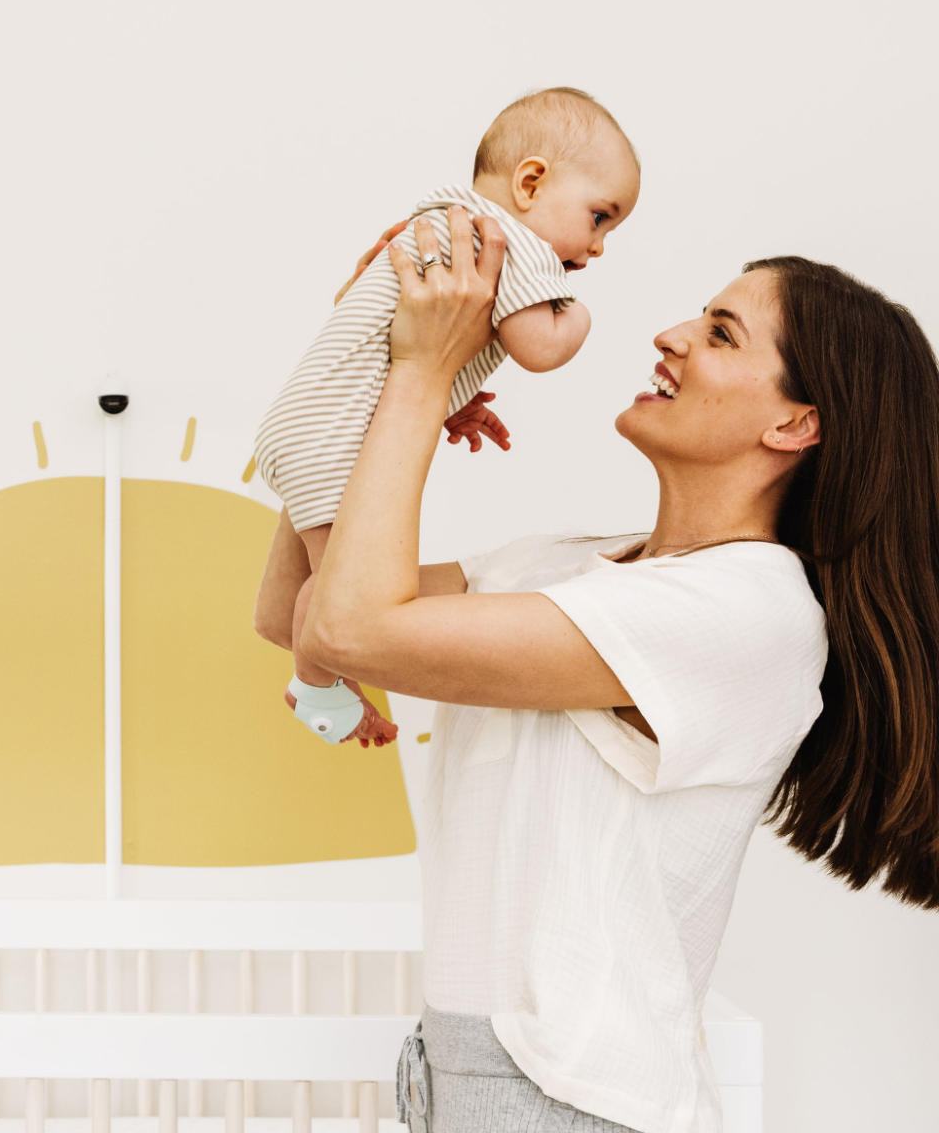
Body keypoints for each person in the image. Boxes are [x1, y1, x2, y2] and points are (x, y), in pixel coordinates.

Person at [268, 207, 939, 1132]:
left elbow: (349, 629)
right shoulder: (560, 565)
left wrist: (422, 378)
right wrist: (371, 371)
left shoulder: (749, 610)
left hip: (565, 1100)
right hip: (468, 1082)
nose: (671, 336)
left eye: (720, 333)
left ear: (796, 423)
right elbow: (300, 610)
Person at [252, 88, 641, 748]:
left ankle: (323, 678)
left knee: (332, 587)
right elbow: (541, 349)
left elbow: (384, 348)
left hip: (309, 421)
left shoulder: (440, 220)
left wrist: (452, 398)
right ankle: (317, 692)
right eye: (599, 217)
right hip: (333, 437)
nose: (599, 246)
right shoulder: (512, 241)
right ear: (530, 183)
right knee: (338, 597)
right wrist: (576, 314)